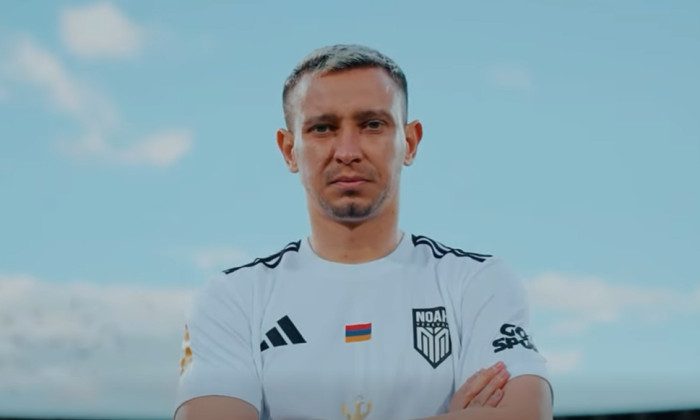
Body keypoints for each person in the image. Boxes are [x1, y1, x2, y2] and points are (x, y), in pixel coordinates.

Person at [174, 44, 552, 420]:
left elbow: (526, 414)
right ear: (289, 150)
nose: (348, 151)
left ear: (410, 142)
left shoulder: (477, 283)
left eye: (372, 124)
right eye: (323, 128)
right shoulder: (233, 299)